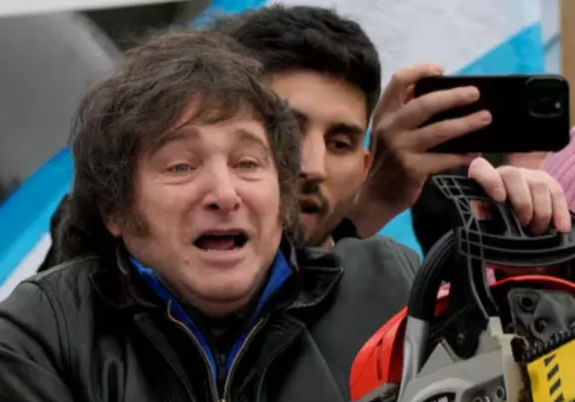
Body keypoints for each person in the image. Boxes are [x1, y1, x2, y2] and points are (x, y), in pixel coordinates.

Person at [0, 29, 420, 402]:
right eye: (181, 166)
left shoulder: (388, 284)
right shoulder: (42, 332)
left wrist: (514, 248)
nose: (224, 193)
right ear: (116, 208)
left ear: (282, 196)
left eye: (249, 162)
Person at [212, 5, 571, 250]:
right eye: (286, 132)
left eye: (340, 143)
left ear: (364, 165)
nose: (313, 167)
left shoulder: (395, 299)